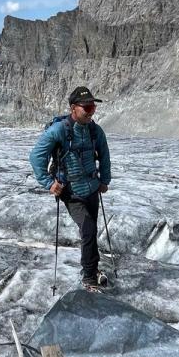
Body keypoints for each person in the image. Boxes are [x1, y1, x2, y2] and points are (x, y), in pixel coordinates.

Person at [29, 85, 112, 292]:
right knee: (88, 229)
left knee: (90, 230)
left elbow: (104, 155)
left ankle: (92, 268)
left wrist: (105, 180)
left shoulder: (95, 130)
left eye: (93, 107)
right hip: (71, 192)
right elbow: (36, 156)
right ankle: (89, 277)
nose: (91, 111)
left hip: (92, 189)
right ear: (74, 108)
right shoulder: (59, 130)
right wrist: (49, 183)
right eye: (87, 108)